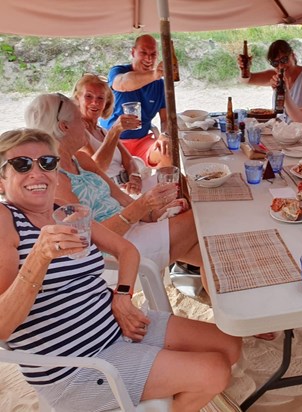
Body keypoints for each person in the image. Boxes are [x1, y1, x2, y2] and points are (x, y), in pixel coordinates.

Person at [0, 128, 241, 411]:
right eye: (21, 165)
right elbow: (3, 327)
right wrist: (38, 258)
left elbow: (126, 250)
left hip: (113, 323)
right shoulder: (6, 221)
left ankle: (157, 387)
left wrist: (123, 295)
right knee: (214, 371)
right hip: (77, 366)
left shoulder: (65, 211)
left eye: (47, 163)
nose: (37, 172)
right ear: (2, 181)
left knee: (230, 345)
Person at [25, 93, 201, 277]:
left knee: (208, 252)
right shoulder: (56, 180)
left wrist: (150, 214)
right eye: (80, 120)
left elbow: (121, 197)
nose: (85, 125)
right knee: (201, 220)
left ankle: (217, 290)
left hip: (133, 227)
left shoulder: (81, 159)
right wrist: (142, 206)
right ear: (64, 127)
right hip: (117, 249)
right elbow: (88, 238)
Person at [72, 73, 153, 195]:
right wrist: (115, 131)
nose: (95, 102)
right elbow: (96, 169)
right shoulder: (76, 131)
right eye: (89, 96)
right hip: (108, 193)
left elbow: (130, 161)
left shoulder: (103, 131)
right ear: (78, 99)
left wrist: (134, 178)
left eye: (100, 98)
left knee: (176, 182)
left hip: (126, 188)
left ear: (106, 103)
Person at [99, 34, 171, 168]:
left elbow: (165, 119)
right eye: (143, 52)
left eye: (153, 54)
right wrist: (154, 74)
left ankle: (167, 187)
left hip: (141, 142)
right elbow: (122, 84)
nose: (148, 58)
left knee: (166, 151)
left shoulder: (159, 85)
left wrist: (164, 135)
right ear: (133, 52)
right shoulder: (118, 71)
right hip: (111, 142)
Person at [237, 39, 302, 141]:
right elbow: (247, 80)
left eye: (284, 60)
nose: (281, 66)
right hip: (285, 135)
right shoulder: (275, 76)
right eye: (275, 63)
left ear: (293, 55)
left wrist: (296, 136)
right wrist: (244, 68)